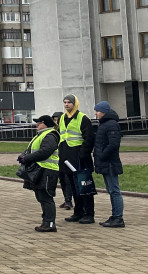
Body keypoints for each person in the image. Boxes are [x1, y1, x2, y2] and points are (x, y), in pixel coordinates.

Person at [17, 115, 60, 232]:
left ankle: (50, 223)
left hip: (47, 170)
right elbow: (31, 149)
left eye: (39, 123)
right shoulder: (41, 135)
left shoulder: (50, 135)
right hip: (40, 170)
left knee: (46, 197)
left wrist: (27, 158)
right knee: (41, 196)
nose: (37, 125)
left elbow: (45, 152)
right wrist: (23, 155)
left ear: (45, 124)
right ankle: (46, 221)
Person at [59, 94, 96, 225]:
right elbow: (62, 138)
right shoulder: (62, 118)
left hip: (80, 159)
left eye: (69, 102)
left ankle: (89, 214)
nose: (67, 104)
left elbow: (89, 139)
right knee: (74, 188)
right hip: (67, 159)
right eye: (65, 102)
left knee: (84, 187)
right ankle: (78, 212)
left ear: (75, 104)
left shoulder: (83, 118)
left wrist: (82, 155)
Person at [92, 102, 124, 228]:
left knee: (114, 190)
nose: (95, 113)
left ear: (104, 111)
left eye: (97, 111)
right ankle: (115, 215)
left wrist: (102, 155)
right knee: (111, 190)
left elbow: (113, 144)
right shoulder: (104, 124)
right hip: (105, 162)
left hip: (110, 163)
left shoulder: (111, 125)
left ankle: (118, 217)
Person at [52, 111, 72, 211]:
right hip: (58, 159)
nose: (56, 122)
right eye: (54, 120)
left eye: (57, 119)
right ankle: (66, 199)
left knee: (67, 179)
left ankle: (69, 200)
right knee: (62, 179)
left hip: (66, 158)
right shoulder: (54, 131)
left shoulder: (65, 130)